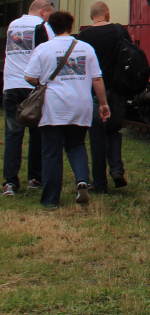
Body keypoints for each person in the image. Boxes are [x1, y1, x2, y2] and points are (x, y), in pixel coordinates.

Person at [23, 10, 109, 208]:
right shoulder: (86, 48)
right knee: (76, 145)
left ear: (51, 28)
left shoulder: (43, 48)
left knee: (51, 151)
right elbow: (97, 78)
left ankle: (50, 200)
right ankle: (82, 180)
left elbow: (29, 76)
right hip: (81, 104)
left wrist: (42, 81)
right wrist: (103, 104)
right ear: (71, 27)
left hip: (52, 106)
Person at [3, 0, 54, 196]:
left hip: (11, 86)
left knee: (12, 135)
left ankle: (10, 182)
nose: (50, 18)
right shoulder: (43, 26)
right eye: (49, 14)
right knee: (37, 133)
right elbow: (48, 54)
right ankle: (35, 177)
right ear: (43, 11)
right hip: (32, 86)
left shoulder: (13, 25)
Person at [77, 1, 130, 192]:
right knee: (114, 131)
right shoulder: (120, 31)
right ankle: (116, 170)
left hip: (94, 90)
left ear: (91, 16)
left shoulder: (84, 36)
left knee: (97, 136)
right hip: (117, 89)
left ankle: (100, 183)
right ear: (107, 12)